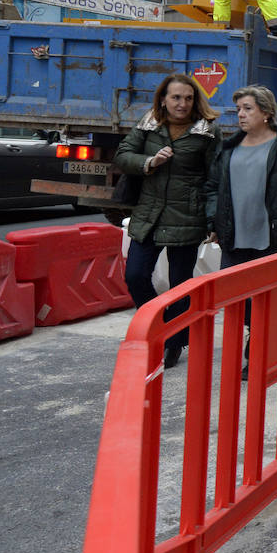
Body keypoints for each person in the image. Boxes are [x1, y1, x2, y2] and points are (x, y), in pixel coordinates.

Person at [115, 74, 222, 369]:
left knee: (180, 285)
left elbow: (216, 178)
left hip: (188, 215)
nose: (182, 104)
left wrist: (213, 220)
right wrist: (150, 162)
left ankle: (174, 342)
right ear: (163, 99)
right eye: (176, 97)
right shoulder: (149, 123)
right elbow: (123, 156)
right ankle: (163, 326)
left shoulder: (207, 132)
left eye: (188, 98)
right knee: (135, 275)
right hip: (149, 214)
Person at [206, 85, 277, 271]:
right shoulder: (229, 146)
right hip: (233, 242)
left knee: (266, 289)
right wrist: (215, 221)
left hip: (271, 241)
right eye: (238, 109)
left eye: (247, 108)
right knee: (233, 288)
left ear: (266, 112)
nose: (240, 114)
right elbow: (213, 186)